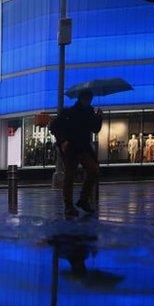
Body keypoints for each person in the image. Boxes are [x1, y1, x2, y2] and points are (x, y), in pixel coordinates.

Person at [50, 89, 103, 217]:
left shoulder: (89, 112)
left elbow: (95, 129)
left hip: (83, 148)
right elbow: (54, 126)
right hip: (71, 148)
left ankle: (83, 200)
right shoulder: (70, 112)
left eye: (89, 99)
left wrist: (99, 117)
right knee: (70, 176)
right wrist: (63, 141)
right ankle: (69, 205)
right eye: (86, 99)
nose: (88, 101)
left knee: (93, 170)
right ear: (80, 99)